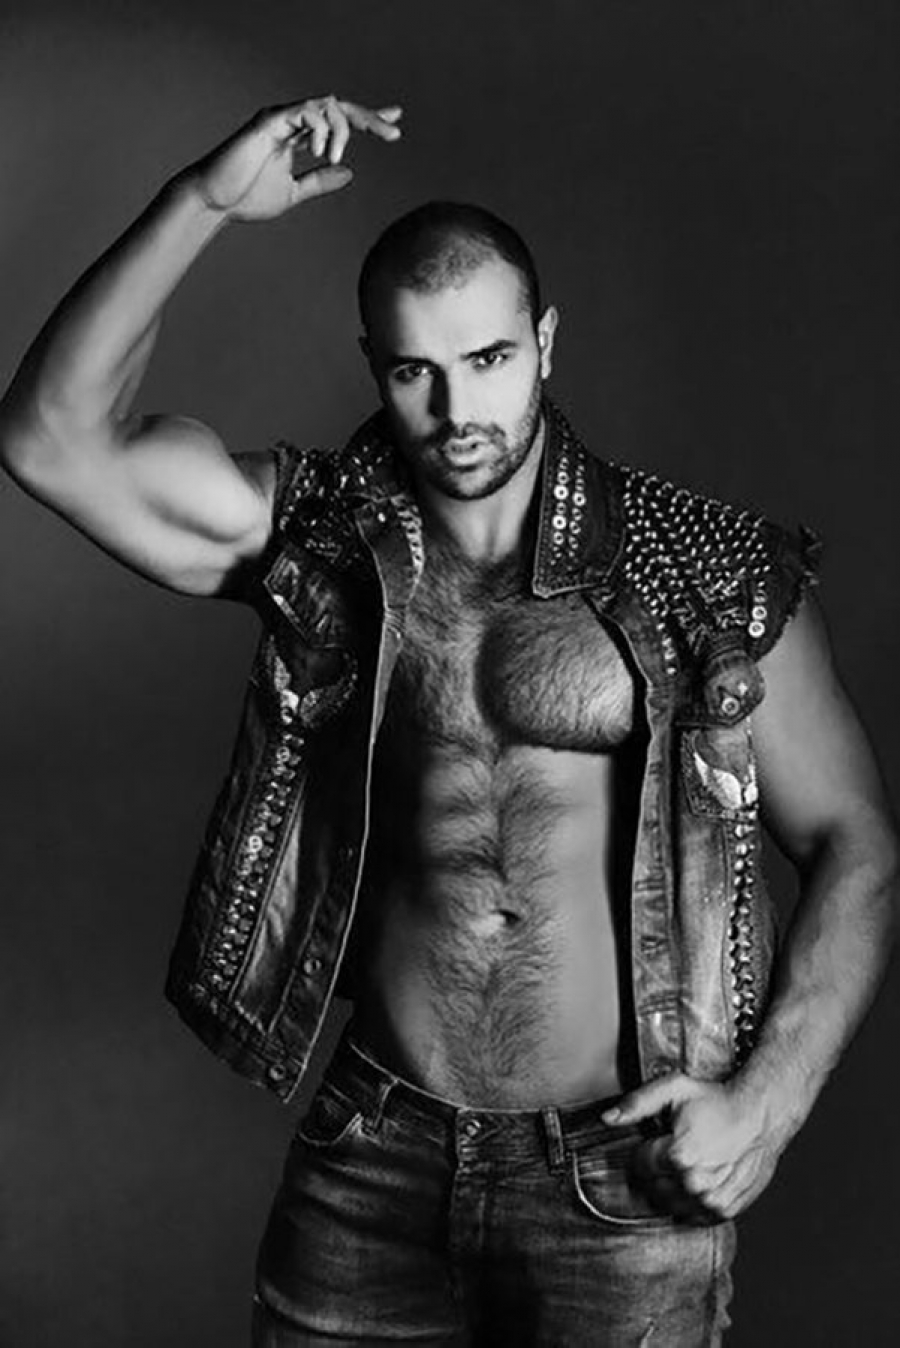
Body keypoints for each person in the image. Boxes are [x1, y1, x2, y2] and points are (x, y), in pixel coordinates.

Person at [1, 94, 896, 1347]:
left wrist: (769, 1102)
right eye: (416, 370)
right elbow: (50, 441)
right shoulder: (319, 541)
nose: (457, 410)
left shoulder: (702, 568)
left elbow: (858, 843)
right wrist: (203, 200)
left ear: (545, 343)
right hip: (373, 1159)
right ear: (375, 364)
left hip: (619, 1176)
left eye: (489, 360)